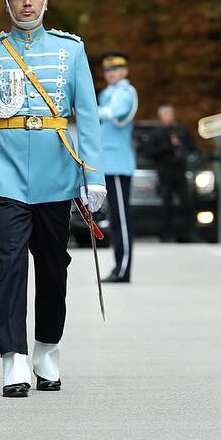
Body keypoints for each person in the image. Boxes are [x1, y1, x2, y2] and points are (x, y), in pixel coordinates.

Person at [0, 0, 104, 398]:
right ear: (6, 1)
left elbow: (89, 118)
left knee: (55, 268)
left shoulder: (70, 50)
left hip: (57, 174)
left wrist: (92, 176)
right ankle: (13, 358)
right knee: (11, 264)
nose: (27, 3)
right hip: (5, 175)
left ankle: (47, 347)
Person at [96, 51, 138, 283]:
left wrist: (86, 111)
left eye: (115, 69)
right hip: (107, 165)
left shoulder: (126, 92)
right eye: (107, 70)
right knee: (115, 220)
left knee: (122, 219)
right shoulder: (107, 93)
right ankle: (118, 266)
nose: (110, 73)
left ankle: (123, 269)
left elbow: (113, 113)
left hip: (119, 164)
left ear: (124, 71)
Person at [146, 104, 196, 242]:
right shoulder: (156, 133)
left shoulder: (181, 131)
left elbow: (192, 148)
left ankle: (188, 234)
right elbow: (150, 152)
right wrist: (168, 147)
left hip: (180, 171)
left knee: (187, 202)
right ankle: (166, 234)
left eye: (170, 114)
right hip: (165, 171)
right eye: (165, 115)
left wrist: (181, 147)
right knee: (166, 203)